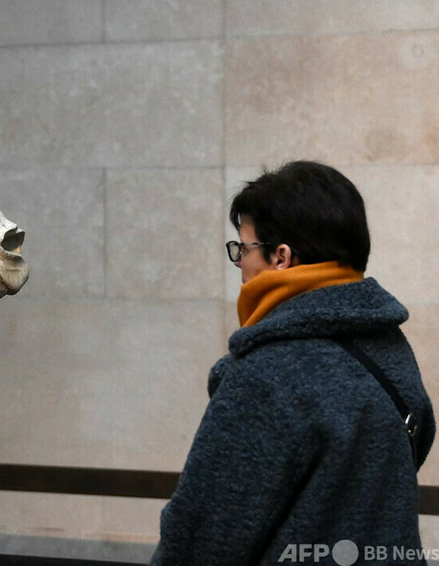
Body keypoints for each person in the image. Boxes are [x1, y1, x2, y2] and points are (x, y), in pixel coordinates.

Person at [150, 161, 435, 565]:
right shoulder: (388, 347)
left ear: (281, 256)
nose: (239, 264)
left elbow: (201, 538)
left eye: (243, 248)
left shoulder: (267, 375)